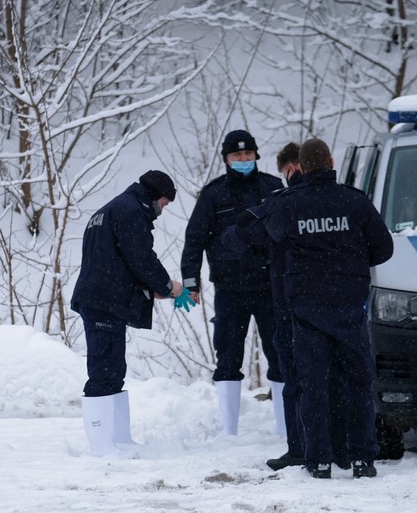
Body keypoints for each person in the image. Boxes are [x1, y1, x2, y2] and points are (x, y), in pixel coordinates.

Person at [265, 139, 393, 479]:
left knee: (313, 385)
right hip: (348, 306)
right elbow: (383, 249)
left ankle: (319, 459)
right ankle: (363, 457)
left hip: (307, 310)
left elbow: (273, 237)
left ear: (301, 168)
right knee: (358, 383)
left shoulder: (289, 204)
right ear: (332, 161)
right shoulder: (355, 201)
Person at [221, 142, 349, 471]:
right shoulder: (347, 198)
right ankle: (343, 448)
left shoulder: (283, 204)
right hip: (340, 302)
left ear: (293, 170)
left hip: (294, 305)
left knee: (298, 380)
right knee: (337, 378)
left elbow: (242, 234)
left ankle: (302, 449)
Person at [71, 170, 191, 457]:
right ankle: (101, 446)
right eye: (163, 203)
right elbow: (141, 258)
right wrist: (167, 285)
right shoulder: (130, 212)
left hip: (102, 299)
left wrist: (150, 291)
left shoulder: (113, 208)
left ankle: (119, 439)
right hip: (103, 302)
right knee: (103, 371)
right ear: (154, 196)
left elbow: (117, 261)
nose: (162, 210)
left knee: (114, 370)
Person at [180, 129, 284, 435]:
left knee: (280, 354)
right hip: (230, 288)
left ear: (256, 156)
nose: (243, 160)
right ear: (226, 159)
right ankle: (229, 432)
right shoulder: (213, 194)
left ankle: (285, 427)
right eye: (237, 156)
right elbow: (194, 240)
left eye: (248, 155)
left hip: (270, 287)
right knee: (227, 356)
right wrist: (191, 282)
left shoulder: (273, 188)